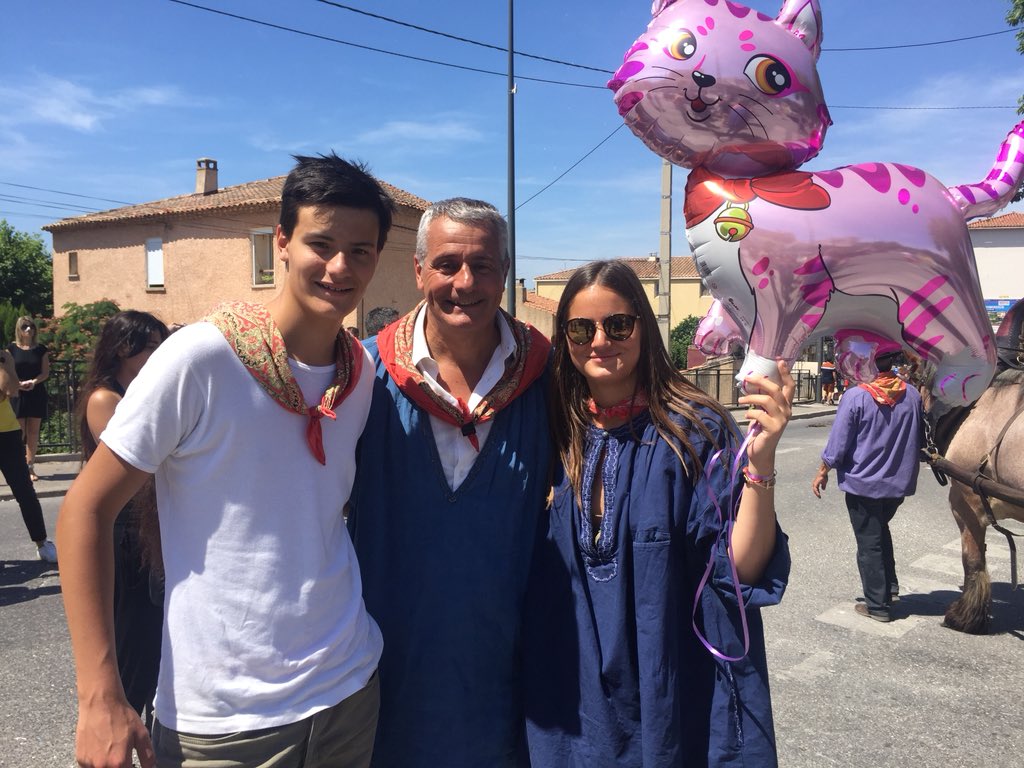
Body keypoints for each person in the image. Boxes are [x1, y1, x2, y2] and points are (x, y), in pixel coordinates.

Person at [57, 152, 395, 768]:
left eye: (361, 250)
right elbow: (84, 510)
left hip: (348, 689)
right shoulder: (202, 358)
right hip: (225, 722)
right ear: (283, 243)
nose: (341, 266)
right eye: (322, 243)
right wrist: (99, 694)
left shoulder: (361, 373)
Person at [523, 260, 793, 767]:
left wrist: (761, 464)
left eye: (618, 324)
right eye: (581, 329)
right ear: (565, 340)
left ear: (643, 327)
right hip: (571, 690)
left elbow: (741, 572)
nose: (600, 340)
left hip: (671, 684)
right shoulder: (550, 428)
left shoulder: (695, 428)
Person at [347, 197, 551, 767]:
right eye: (447, 264)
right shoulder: (363, 380)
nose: (465, 282)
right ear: (419, 271)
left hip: (506, 689)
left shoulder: (547, 382)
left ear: (505, 274)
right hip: (383, 685)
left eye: (483, 265)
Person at [76, 311, 170, 727]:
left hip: (149, 525)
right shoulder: (105, 398)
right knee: (134, 638)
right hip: (126, 530)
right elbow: (140, 464)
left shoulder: (140, 392)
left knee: (155, 638)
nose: (158, 352)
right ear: (121, 348)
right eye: (150, 344)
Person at [812, 349, 924, 623]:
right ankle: (890, 586)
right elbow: (919, 437)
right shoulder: (912, 394)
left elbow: (839, 444)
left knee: (869, 542)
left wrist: (823, 469)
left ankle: (877, 605)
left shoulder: (857, 396)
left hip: (863, 483)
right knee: (879, 529)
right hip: (898, 483)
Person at [0, 348, 57, 562]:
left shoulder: (5, 357)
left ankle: (41, 542)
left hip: (7, 433)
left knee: (24, 491)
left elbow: (11, 390)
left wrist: (6, 363)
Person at [7, 316, 49, 481]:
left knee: (33, 432)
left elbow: (45, 373)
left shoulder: (41, 350)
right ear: (19, 329)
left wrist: (33, 382)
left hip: (35, 392)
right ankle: (18, 467)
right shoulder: (11, 349)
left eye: (31, 326)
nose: (29, 330)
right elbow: (7, 372)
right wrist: (17, 384)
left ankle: (30, 467)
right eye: (25, 327)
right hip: (17, 393)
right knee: (19, 432)